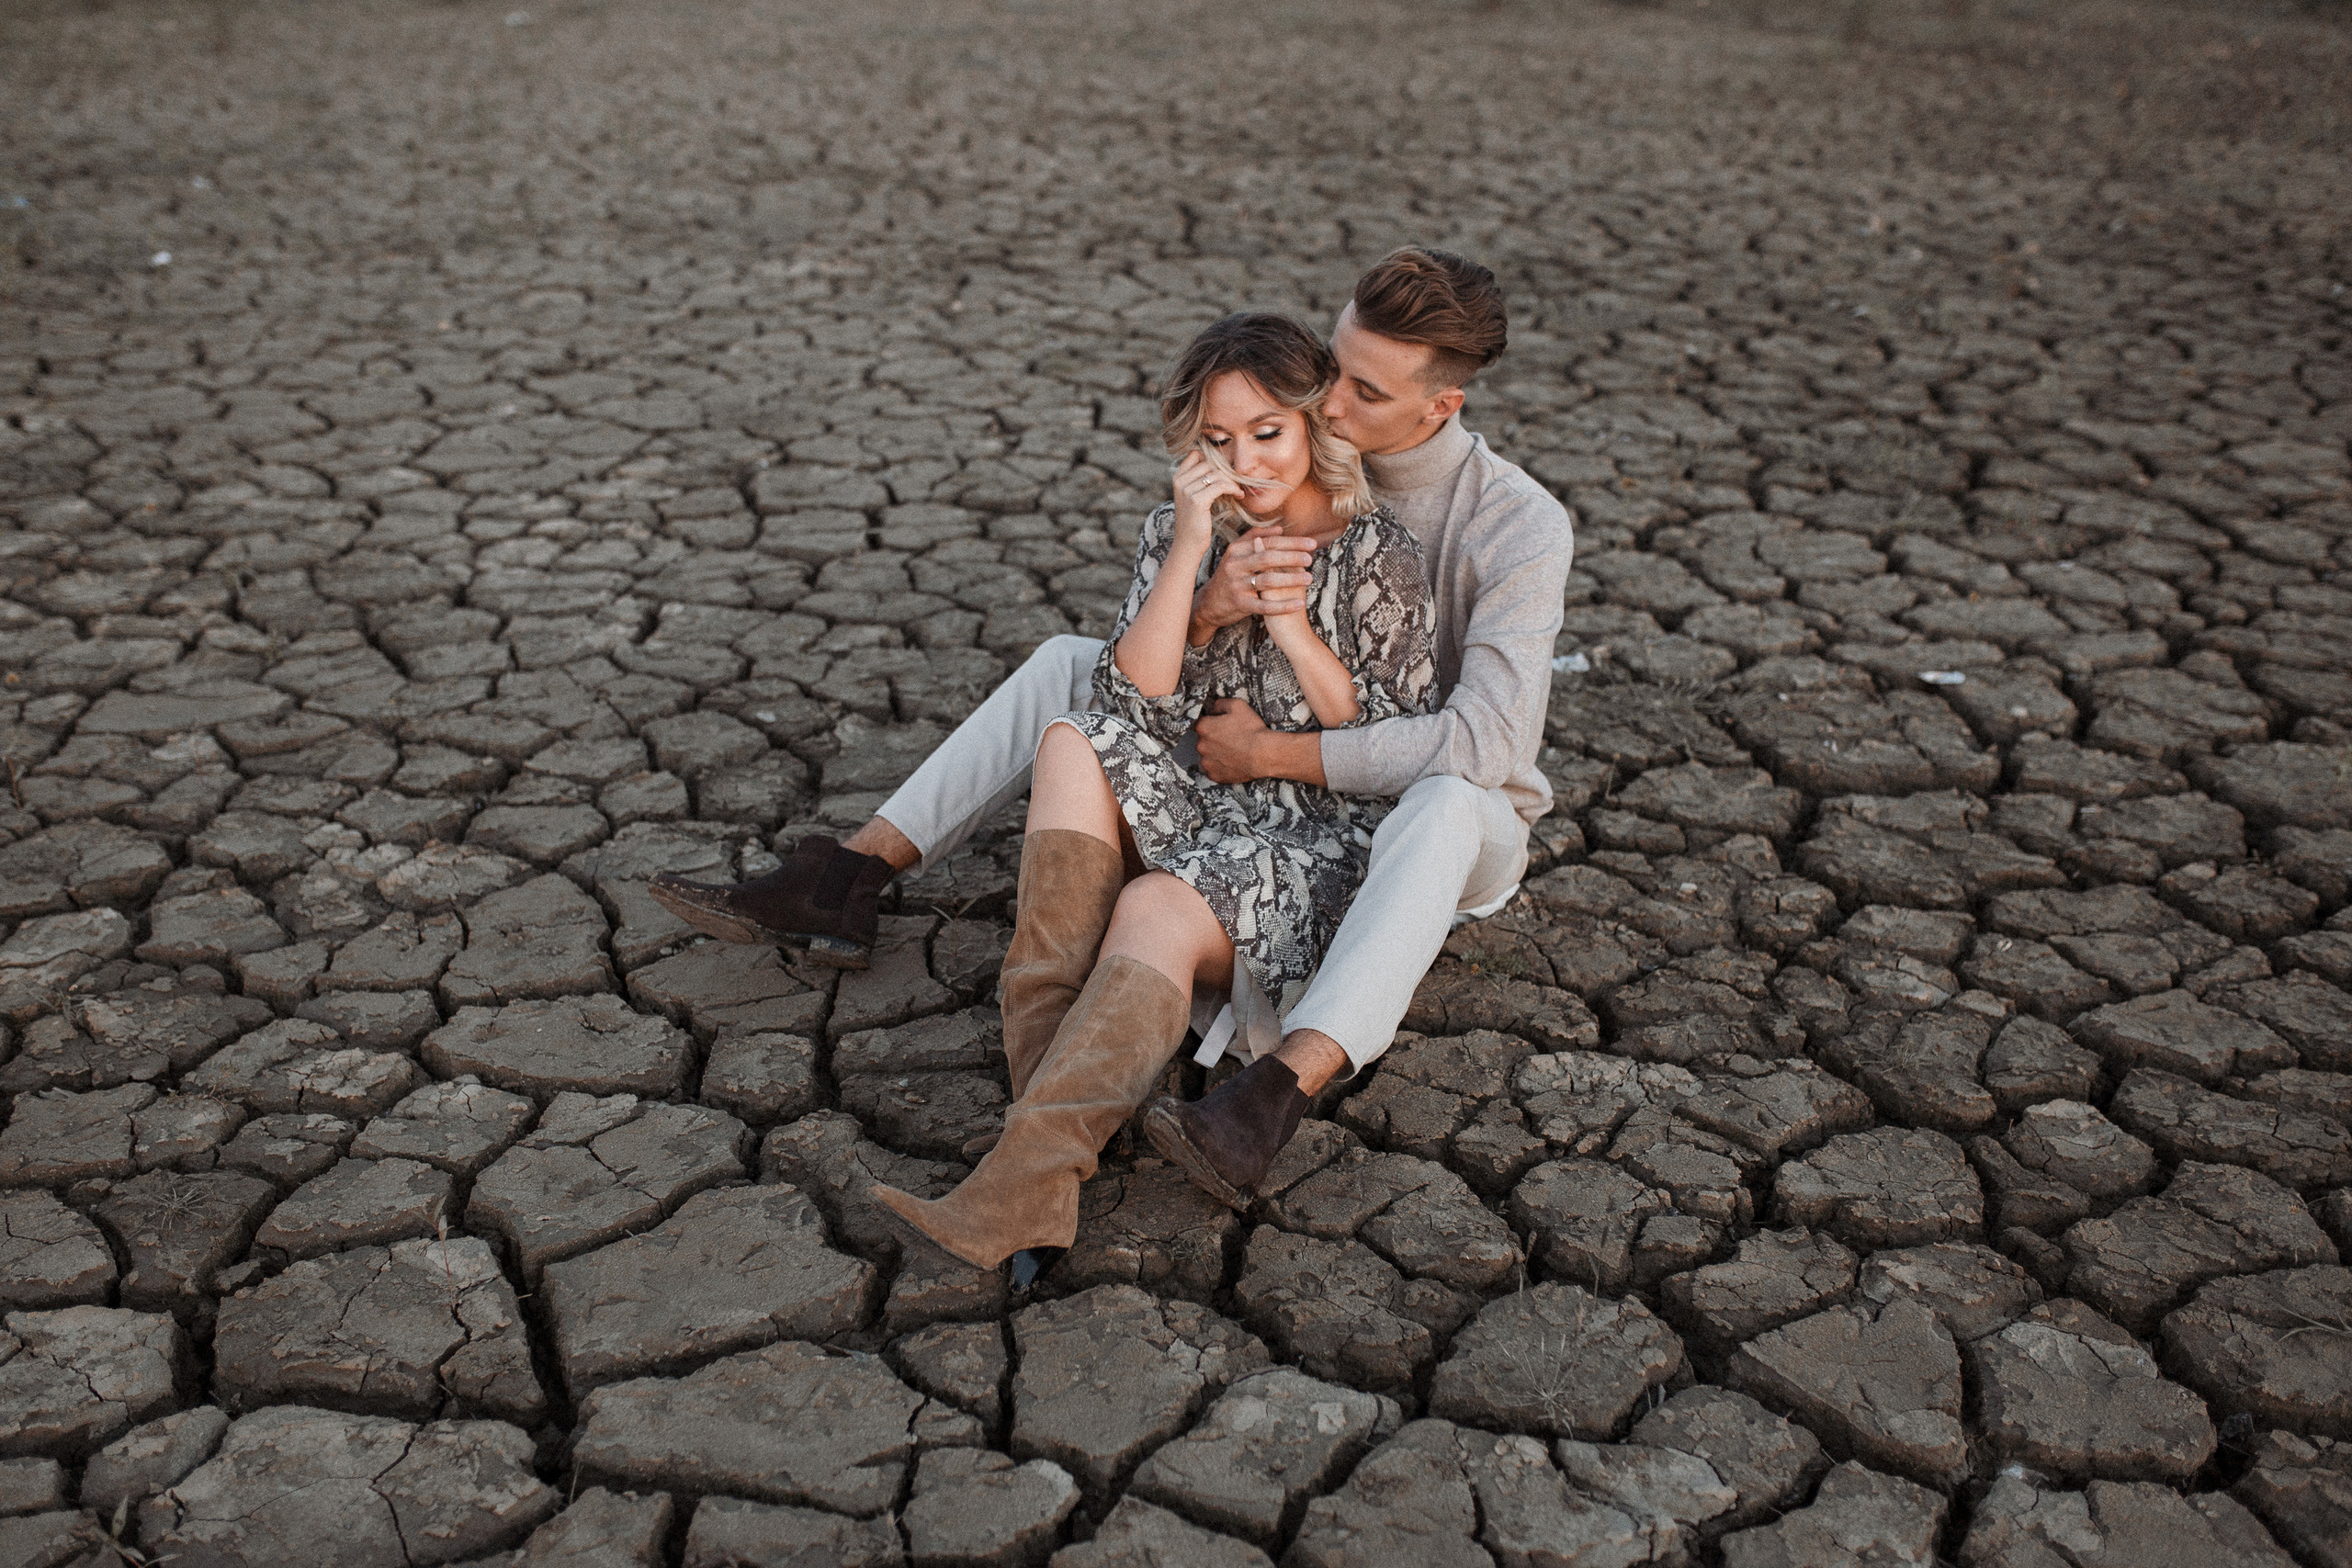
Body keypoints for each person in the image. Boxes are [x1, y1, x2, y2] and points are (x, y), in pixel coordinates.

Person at [651, 246, 1575, 1210]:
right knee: (1066, 665)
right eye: (1331, 366)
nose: (1326, 404)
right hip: (1256, 769)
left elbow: (1486, 746)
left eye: (1361, 391)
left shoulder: (1513, 524)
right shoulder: (1289, 451)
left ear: (1439, 408)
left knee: (1446, 804)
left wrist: (1275, 753)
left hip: (1433, 825)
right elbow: (1174, 653)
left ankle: (1281, 1087)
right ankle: (854, 874)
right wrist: (1208, 607)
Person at [858, 312, 1437, 1271]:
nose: (1245, 459)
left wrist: (1290, 626)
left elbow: (1383, 739)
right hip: (1206, 805)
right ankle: (1039, 1160)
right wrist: (1195, 570)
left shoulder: (1381, 554)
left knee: (1153, 902)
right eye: (1218, 439)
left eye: (1266, 433)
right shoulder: (1185, 528)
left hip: (1315, 839)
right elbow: (1133, 696)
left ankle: (1025, 1176)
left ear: (1310, 427)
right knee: (1073, 738)